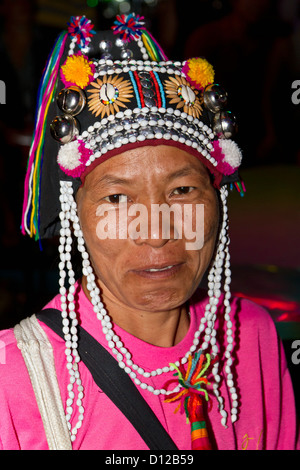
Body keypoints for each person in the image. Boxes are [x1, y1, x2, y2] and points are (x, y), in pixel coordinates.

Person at [0, 13, 298, 451]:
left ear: (218, 200)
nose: (157, 233)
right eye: (117, 199)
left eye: (182, 190)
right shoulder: (17, 377)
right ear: (76, 214)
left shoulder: (249, 336)